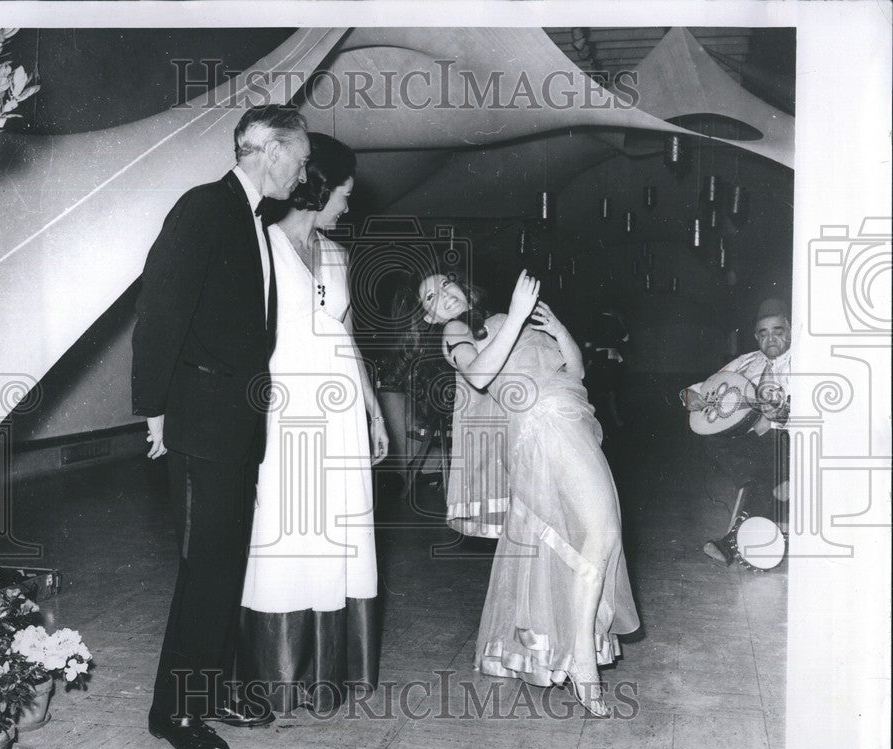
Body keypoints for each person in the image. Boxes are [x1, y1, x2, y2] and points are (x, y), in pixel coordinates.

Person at [131, 105, 310, 749]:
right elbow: (160, 310)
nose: (304, 170)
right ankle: (174, 713)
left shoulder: (253, 219)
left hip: (233, 422)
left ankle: (211, 691)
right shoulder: (205, 208)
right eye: (301, 157)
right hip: (202, 421)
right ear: (271, 151)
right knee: (207, 568)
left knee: (223, 565)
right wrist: (154, 408)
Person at [396, 269, 639, 717]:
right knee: (600, 531)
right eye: (429, 296)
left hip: (569, 419)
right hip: (539, 429)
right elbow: (479, 375)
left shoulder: (503, 318)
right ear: (428, 317)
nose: (442, 296)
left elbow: (576, 370)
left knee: (594, 536)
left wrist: (559, 330)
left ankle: (575, 649)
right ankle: (582, 659)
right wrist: (519, 315)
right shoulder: (455, 331)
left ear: (462, 286)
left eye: (445, 284)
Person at [236, 133, 388, 713]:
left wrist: (374, 410)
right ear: (317, 187)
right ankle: (280, 676)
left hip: (342, 412)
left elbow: (347, 336)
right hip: (287, 410)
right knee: (287, 527)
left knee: (339, 532)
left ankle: (332, 673)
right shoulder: (262, 247)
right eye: (343, 193)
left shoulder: (337, 253)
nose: (348, 204)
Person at [679, 298, 791, 566]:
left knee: (772, 453)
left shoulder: (804, 361)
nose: (770, 339)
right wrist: (688, 395)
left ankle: (731, 543)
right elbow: (704, 386)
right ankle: (776, 485)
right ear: (755, 336)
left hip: (790, 442)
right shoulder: (747, 361)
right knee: (710, 438)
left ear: (789, 330)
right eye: (763, 333)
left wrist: (788, 415)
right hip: (754, 444)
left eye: (777, 331)